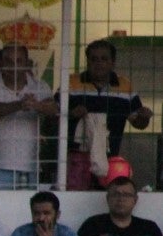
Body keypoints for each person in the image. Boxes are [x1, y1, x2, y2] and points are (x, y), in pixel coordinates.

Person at [65, 39, 153, 190]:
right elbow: (53, 116)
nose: (99, 63)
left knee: (106, 198)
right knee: (75, 196)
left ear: (113, 62)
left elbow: (138, 123)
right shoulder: (72, 83)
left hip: (111, 158)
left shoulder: (124, 86)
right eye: (94, 59)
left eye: (104, 59)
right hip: (77, 158)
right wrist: (71, 114)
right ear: (87, 61)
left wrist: (144, 117)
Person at [0, 44, 58, 190]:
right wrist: (20, 105)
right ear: (1, 63)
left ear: (27, 64)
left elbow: (54, 109)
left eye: (19, 61)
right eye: (8, 61)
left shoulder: (40, 86)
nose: (13, 66)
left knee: (26, 212)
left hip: (29, 165)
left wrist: (36, 105)